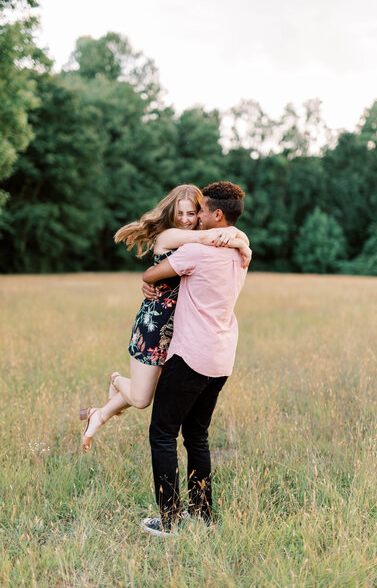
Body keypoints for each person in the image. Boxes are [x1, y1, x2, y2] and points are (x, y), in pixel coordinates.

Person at [80, 184, 251, 452]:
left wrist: (241, 241)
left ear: (200, 214)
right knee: (141, 398)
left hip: (184, 330)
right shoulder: (169, 237)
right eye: (180, 213)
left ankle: (97, 415)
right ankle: (115, 379)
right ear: (171, 213)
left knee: (146, 392)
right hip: (156, 322)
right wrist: (241, 242)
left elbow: (226, 233)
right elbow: (216, 237)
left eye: (192, 213)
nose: (185, 219)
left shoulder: (202, 235)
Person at [140, 181, 250, 537]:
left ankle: (169, 521)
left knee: (162, 433)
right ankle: (202, 515)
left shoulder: (196, 253)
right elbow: (241, 240)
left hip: (190, 356)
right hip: (221, 360)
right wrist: (237, 237)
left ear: (216, 215)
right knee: (197, 435)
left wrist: (151, 282)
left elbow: (150, 273)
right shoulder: (241, 253)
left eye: (201, 211)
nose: (196, 216)